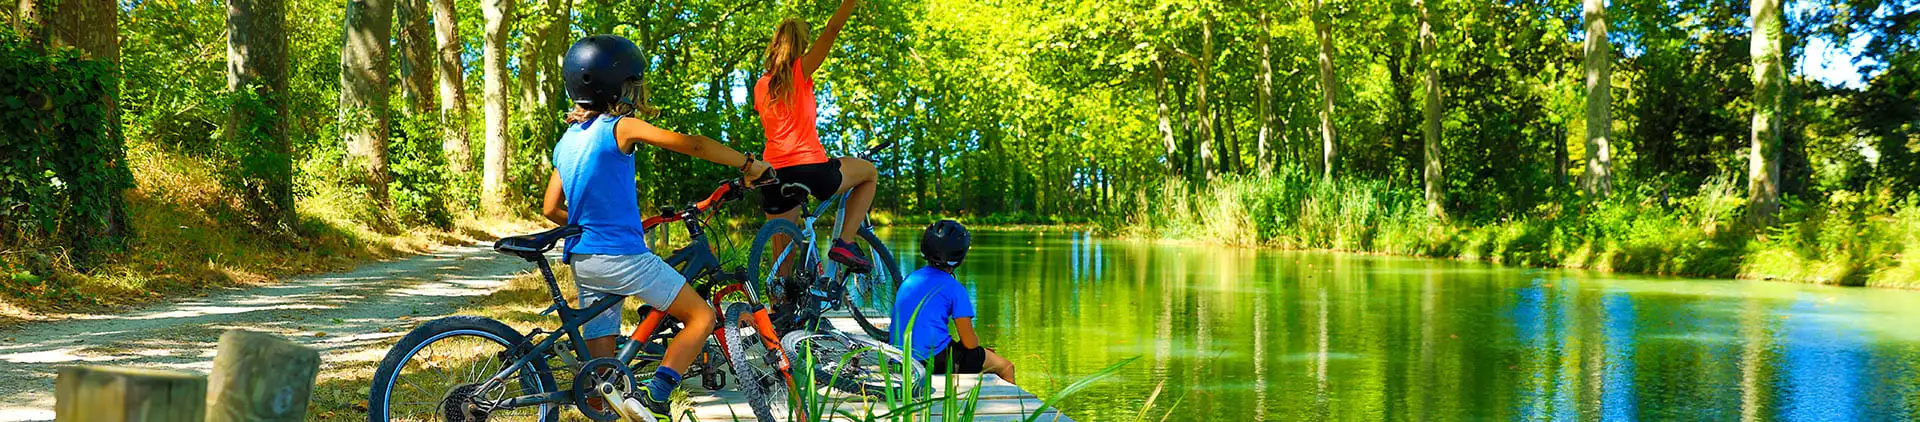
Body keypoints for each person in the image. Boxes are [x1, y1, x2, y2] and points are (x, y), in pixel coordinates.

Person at [542, 34, 771, 421]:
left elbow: (551, 208)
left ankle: (608, 407)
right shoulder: (621, 127)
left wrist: (592, 225)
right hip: (621, 257)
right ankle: (657, 395)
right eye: (632, 84)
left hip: (583, 259)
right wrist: (749, 164)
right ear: (617, 87)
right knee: (702, 317)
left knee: (603, 380)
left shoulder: (567, 141)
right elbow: (695, 145)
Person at [753, 0, 881, 273]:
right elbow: (832, 30)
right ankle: (844, 242)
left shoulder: (761, 85)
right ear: (800, 46)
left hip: (773, 174)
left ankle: (779, 310)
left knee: (781, 264)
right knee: (869, 173)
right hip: (810, 169)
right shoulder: (800, 71)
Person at [889, 220, 1017, 384]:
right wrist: (980, 352)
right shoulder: (954, 288)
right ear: (960, 257)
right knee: (1005, 367)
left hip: (900, 358)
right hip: (933, 361)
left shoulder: (911, 278)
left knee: (978, 355)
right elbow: (970, 343)